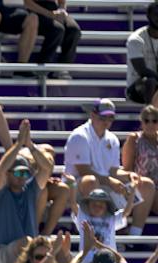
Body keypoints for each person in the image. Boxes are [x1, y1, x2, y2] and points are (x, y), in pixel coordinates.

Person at [66, 98, 156, 235]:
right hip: (77, 188)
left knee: (146, 185)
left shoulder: (112, 139)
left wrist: (128, 175)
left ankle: (134, 237)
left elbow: (113, 170)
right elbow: (83, 171)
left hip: (104, 185)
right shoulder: (80, 136)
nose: (107, 122)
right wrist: (110, 181)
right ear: (92, 115)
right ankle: (94, 234)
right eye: (103, 118)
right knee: (90, 181)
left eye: (110, 118)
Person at [0, 123, 64, 263]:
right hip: (3, 256)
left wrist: (30, 145)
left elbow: (47, 168)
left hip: (31, 255)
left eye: (25, 174)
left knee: (60, 246)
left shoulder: (30, 191)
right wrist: (18, 145)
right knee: (28, 242)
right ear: (8, 175)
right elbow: (0, 170)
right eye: (18, 173)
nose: (22, 178)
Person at [128, 2, 158, 106]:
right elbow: (142, 70)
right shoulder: (136, 39)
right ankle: (150, 115)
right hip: (137, 88)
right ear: (148, 16)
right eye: (156, 14)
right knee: (150, 81)